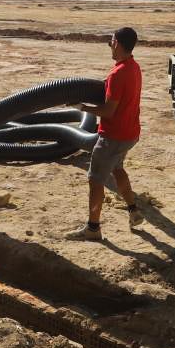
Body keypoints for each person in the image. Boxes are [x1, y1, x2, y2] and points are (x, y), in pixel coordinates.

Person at [69, 26, 146, 241]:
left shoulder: (117, 73)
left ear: (118, 44)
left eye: (111, 41)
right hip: (130, 134)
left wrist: (82, 107)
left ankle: (93, 229)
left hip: (113, 137)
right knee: (118, 169)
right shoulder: (133, 67)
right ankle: (133, 211)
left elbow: (108, 111)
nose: (109, 45)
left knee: (96, 181)